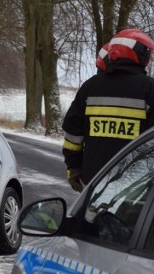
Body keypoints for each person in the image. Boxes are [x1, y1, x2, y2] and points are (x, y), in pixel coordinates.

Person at [62, 28, 154, 192]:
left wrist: (74, 167)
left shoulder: (90, 87)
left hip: (92, 182)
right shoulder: (149, 88)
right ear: (140, 53)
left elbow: (72, 133)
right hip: (134, 187)